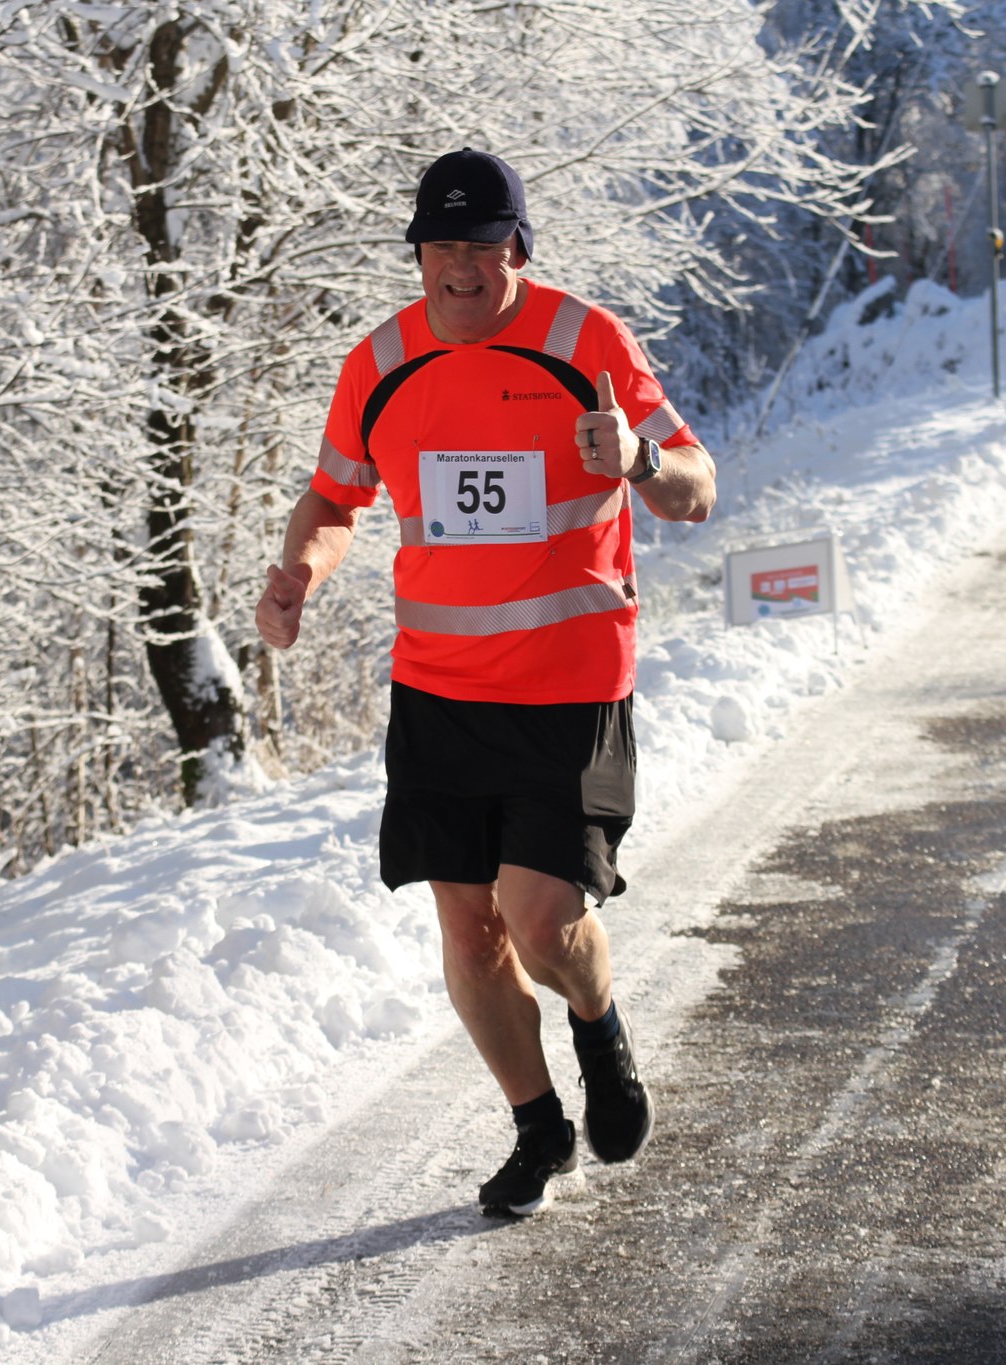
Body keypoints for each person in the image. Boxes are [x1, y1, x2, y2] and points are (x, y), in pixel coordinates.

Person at [254, 148, 717, 1219]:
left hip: (569, 683)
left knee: (540, 920)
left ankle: (598, 1026)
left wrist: (638, 460)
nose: (460, 265)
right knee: (468, 931)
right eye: (440, 245)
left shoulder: (584, 343)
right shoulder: (381, 363)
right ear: (417, 253)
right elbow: (334, 499)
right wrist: (298, 575)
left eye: (482, 244)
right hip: (439, 690)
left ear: (518, 248)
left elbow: (694, 489)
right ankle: (538, 1127)